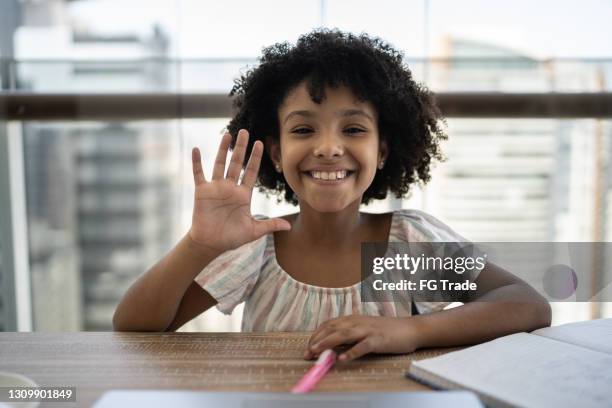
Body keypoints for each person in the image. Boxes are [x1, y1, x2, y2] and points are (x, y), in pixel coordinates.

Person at [113, 29, 551, 362]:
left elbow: (526, 303)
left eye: (354, 129)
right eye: (304, 129)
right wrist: (197, 246)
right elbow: (136, 327)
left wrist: (410, 333)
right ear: (279, 152)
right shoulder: (257, 248)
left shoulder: (410, 243)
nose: (327, 147)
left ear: (381, 151)